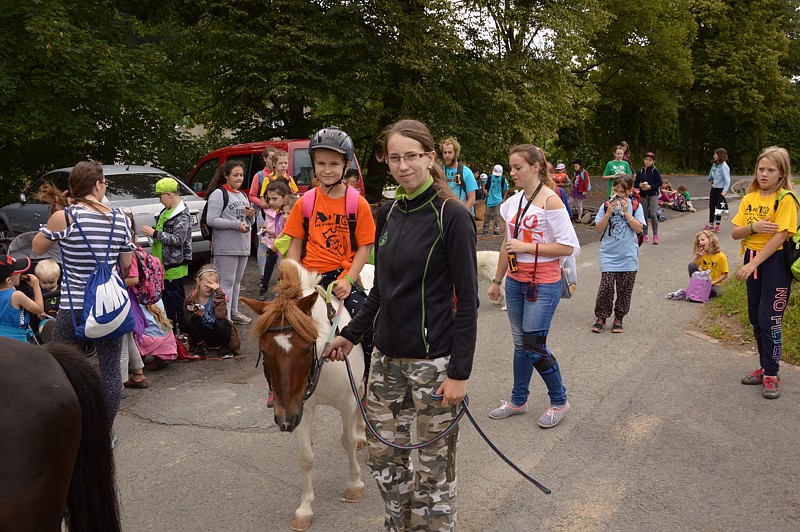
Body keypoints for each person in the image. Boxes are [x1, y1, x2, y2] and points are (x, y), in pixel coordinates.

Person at [324, 119, 478, 531]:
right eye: (394, 157)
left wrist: (459, 373)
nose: (403, 165)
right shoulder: (388, 212)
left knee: (434, 472)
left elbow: (468, 302)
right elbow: (382, 290)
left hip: (435, 365)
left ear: (430, 157)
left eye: (412, 155)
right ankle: (400, 524)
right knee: (381, 457)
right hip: (386, 361)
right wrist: (349, 333)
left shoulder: (453, 216)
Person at [32, 160, 135, 427]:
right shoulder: (121, 217)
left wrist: (58, 211)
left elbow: (37, 248)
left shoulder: (65, 217)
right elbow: (125, 263)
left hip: (74, 307)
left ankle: (64, 427)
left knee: (61, 366)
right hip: (110, 308)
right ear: (98, 184)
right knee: (111, 372)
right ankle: (105, 433)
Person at [486, 144, 580, 430]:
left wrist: (528, 246)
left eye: (518, 167)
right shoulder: (511, 203)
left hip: (544, 283)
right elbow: (506, 244)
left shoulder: (551, 201)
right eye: (511, 167)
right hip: (515, 281)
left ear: (536, 167)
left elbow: (569, 246)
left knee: (533, 345)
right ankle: (518, 400)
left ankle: (559, 400)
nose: (512, 173)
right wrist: (497, 280)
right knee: (520, 344)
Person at [284, 126, 376, 374]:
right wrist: (293, 282)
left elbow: (365, 247)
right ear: (313, 164)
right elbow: (294, 246)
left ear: (346, 166)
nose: (327, 170)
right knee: (276, 326)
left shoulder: (357, 203)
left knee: (368, 324)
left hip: (340, 276)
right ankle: (275, 384)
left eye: (334, 163)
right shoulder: (305, 202)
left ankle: (365, 377)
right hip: (308, 275)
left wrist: (349, 279)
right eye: (321, 163)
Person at [731, 146, 796, 400]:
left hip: (774, 263)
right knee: (756, 318)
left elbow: (780, 235)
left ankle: (772, 374)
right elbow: (735, 232)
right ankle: (764, 366)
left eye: (771, 170)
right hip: (752, 260)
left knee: (771, 319)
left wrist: (754, 264)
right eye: (761, 169)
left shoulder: (786, 199)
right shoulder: (750, 198)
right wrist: (754, 226)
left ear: (782, 173)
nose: (764, 174)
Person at [591, 175, 646, 334]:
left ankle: (619, 317)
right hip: (609, 254)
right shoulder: (605, 206)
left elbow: (639, 229)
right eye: (615, 190)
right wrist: (608, 213)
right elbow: (599, 229)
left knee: (625, 289)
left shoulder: (636, 207)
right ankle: (601, 316)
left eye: (621, 191)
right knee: (606, 287)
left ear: (629, 191)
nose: (617, 194)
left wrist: (627, 213)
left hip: (628, 255)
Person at [205, 160, 256, 325]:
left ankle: (233, 312)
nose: (239, 178)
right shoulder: (219, 194)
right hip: (226, 247)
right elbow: (211, 220)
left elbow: (250, 222)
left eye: (241, 175)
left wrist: (251, 216)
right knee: (226, 281)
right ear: (226, 175)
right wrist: (235, 225)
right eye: (235, 175)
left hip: (243, 246)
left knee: (237, 282)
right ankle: (224, 317)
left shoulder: (242, 195)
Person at [141, 178, 192, 335]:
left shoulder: (182, 215)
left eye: (160, 196)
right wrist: (154, 233)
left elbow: (178, 239)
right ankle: (173, 331)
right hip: (163, 267)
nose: (159, 200)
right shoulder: (166, 211)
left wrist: (154, 233)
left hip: (174, 268)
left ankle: (186, 332)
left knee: (178, 303)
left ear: (169, 195)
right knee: (167, 304)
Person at [184, 265, 240, 358]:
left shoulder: (219, 296)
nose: (209, 288)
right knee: (188, 319)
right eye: (206, 284)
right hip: (203, 333)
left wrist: (219, 292)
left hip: (217, 333)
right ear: (198, 282)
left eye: (212, 285)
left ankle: (224, 347)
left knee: (222, 322)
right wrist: (195, 313)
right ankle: (200, 346)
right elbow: (186, 314)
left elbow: (221, 316)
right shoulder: (192, 297)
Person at [258, 179, 293, 300]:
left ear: (285, 197)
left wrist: (277, 238)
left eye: (274, 199)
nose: (271, 202)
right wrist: (272, 233)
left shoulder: (290, 215)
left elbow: (287, 235)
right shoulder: (280, 214)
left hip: (290, 261)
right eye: (269, 199)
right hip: (282, 261)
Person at [250, 146, 278, 278]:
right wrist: (262, 203)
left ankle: (281, 276)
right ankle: (263, 276)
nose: (273, 161)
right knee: (263, 244)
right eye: (271, 158)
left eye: (275, 158)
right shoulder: (259, 176)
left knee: (279, 243)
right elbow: (252, 195)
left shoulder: (281, 175)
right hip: (263, 215)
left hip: (278, 215)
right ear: (265, 159)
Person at [0, 256, 42, 341]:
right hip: (16, 340)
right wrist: (36, 286)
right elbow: (39, 309)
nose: (20, 274)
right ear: (8, 280)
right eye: (17, 272)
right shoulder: (16, 295)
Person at [441, 137, 479, 212]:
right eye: (445, 152)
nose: (447, 155)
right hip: (444, 213)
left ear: (456, 153)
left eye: (450, 152)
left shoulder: (466, 172)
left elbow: (472, 199)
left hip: (461, 213)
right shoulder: (440, 170)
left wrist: (461, 214)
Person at [634, 151, 663, 244]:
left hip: (653, 194)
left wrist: (650, 186)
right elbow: (635, 183)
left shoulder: (655, 171)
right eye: (646, 159)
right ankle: (645, 234)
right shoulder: (641, 171)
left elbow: (659, 182)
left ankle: (655, 235)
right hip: (643, 195)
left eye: (650, 160)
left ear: (653, 161)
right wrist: (640, 185)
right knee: (644, 214)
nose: (647, 162)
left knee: (653, 214)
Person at [690, 229, 728, 297]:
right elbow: (693, 267)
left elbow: (725, 274)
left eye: (702, 240)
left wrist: (713, 282)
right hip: (702, 281)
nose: (700, 242)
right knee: (691, 265)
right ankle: (698, 288)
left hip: (713, 284)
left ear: (711, 240)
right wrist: (697, 257)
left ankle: (704, 293)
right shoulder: (702, 255)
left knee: (719, 293)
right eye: (699, 241)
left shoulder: (721, 256)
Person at [706, 148, 731, 233]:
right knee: (711, 205)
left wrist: (724, 191)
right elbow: (712, 175)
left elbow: (727, 179)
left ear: (719, 155)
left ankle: (717, 225)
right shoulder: (714, 165)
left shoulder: (724, 166)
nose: (714, 156)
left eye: (715, 154)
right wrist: (711, 180)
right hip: (714, 188)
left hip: (720, 189)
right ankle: (710, 223)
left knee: (718, 207)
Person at [482, 164, 509, 236]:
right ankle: (485, 230)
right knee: (487, 215)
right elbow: (484, 183)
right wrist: (484, 191)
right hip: (489, 199)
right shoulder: (490, 177)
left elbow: (506, 189)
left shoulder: (503, 179)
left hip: (498, 200)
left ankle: (496, 229)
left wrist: (504, 198)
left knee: (497, 215)